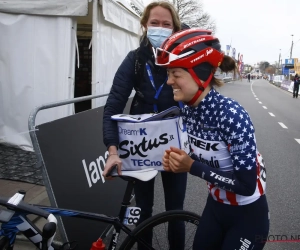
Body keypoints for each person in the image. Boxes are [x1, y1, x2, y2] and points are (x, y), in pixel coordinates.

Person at [154, 28, 269, 250]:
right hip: (215, 207)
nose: (169, 81)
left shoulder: (231, 115)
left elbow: (246, 185)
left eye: (175, 74)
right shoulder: (187, 110)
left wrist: (192, 166)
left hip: (247, 215)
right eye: (168, 74)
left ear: (200, 74)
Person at [102, 1, 188, 249]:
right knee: (143, 210)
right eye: (154, 23)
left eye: (166, 24)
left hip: (174, 145)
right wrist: (113, 151)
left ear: (174, 29)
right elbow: (112, 107)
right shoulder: (135, 60)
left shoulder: (183, 60)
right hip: (141, 146)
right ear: (144, 25)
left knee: (175, 211)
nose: (160, 29)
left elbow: (199, 102)